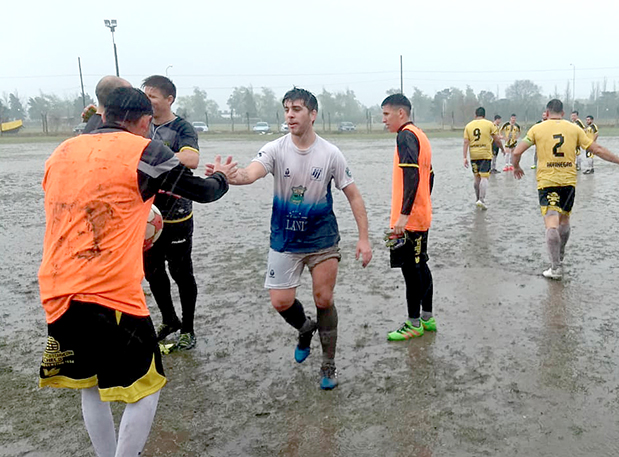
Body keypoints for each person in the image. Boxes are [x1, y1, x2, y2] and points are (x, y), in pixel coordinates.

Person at [38, 87, 238, 457]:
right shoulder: (145, 151)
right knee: (148, 386)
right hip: (109, 293)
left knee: (91, 385)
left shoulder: (62, 151)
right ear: (144, 121)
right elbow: (202, 191)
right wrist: (223, 176)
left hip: (57, 288)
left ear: (104, 113)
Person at [205, 87, 372, 390]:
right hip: (284, 238)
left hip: (322, 239)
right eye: (286, 109)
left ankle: (328, 363)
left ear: (313, 114)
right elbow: (251, 173)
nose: (290, 115)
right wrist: (229, 176)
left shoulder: (330, 153)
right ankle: (305, 327)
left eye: (297, 109)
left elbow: (354, 195)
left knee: (324, 298)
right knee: (281, 301)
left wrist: (364, 238)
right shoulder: (275, 148)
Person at [511, 99, 619, 279]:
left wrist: (516, 166)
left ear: (547, 112)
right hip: (568, 182)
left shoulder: (537, 129)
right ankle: (560, 255)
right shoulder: (574, 128)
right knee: (564, 220)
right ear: (563, 113)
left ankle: (555, 268)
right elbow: (597, 149)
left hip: (548, 182)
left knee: (551, 222)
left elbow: (516, 152)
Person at [140, 75, 202, 351]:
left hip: (176, 214)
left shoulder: (181, 128)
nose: (147, 101)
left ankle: (188, 328)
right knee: (153, 273)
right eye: (145, 96)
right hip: (146, 216)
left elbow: (192, 159)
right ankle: (169, 320)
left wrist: (159, 155)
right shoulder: (140, 126)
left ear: (169, 99)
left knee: (181, 272)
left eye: (152, 96)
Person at [380, 93, 435, 341]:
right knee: (421, 264)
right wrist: (423, 202)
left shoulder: (405, 136)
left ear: (400, 113)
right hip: (421, 214)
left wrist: (404, 215)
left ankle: (413, 324)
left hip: (409, 219)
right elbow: (430, 176)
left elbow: (412, 176)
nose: (384, 120)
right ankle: (427, 317)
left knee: (410, 269)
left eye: (386, 114)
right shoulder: (421, 135)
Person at [463, 106, 505, 209]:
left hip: (474, 154)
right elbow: (497, 139)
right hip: (485, 154)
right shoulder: (489, 124)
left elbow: (465, 142)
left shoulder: (468, 126)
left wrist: (464, 157)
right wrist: (502, 149)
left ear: (475, 115)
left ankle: (477, 199)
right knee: (484, 177)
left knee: (476, 177)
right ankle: (482, 199)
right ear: (484, 115)